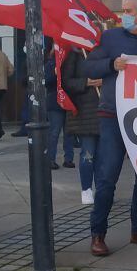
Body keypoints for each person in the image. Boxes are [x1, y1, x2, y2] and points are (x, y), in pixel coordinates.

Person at [83, 0, 137, 256]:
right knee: (107, 176)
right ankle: (98, 234)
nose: (124, 16)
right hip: (113, 116)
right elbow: (90, 68)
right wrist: (111, 64)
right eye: (123, 10)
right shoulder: (110, 38)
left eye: (129, 11)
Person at [63, 45, 101, 205]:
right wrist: (86, 82)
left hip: (105, 110)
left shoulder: (104, 52)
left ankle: (102, 189)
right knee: (88, 153)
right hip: (85, 113)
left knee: (104, 156)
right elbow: (66, 82)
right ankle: (86, 189)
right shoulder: (75, 54)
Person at [43, 42, 74, 171]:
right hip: (55, 102)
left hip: (69, 100)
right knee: (54, 132)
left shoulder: (71, 62)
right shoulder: (50, 64)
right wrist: (55, 73)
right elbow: (46, 81)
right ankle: (51, 159)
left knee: (69, 132)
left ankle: (68, 159)